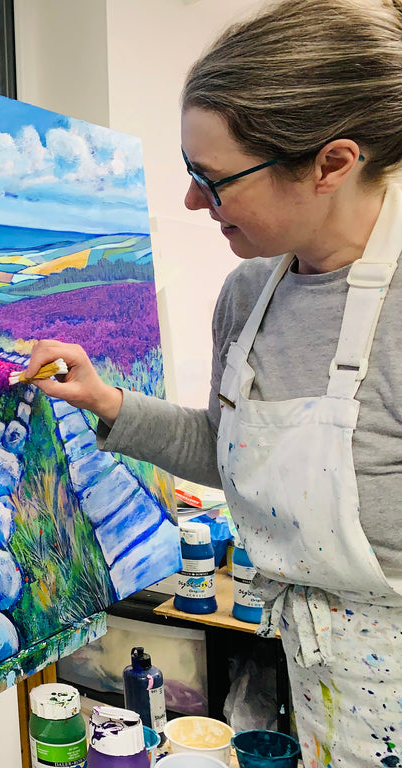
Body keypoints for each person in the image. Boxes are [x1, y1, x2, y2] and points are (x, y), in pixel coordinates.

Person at [23, 1, 402, 765]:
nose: (194, 201)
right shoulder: (249, 294)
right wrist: (110, 405)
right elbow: (233, 450)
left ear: (332, 163)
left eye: (214, 179)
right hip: (321, 672)